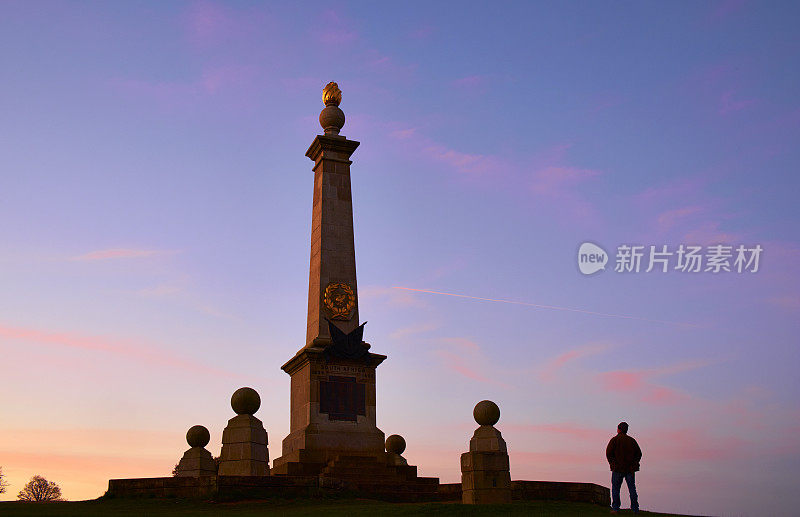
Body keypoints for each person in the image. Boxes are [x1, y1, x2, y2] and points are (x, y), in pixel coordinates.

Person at [606, 421, 642, 514]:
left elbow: (609, 453)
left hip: (617, 469)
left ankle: (616, 508)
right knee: (632, 489)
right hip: (630, 469)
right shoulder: (632, 441)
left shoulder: (614, 440)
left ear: (618, 429)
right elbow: (639, 454)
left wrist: (613, 464)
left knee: (615, 489)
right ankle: (635, 509)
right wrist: (634, 464)